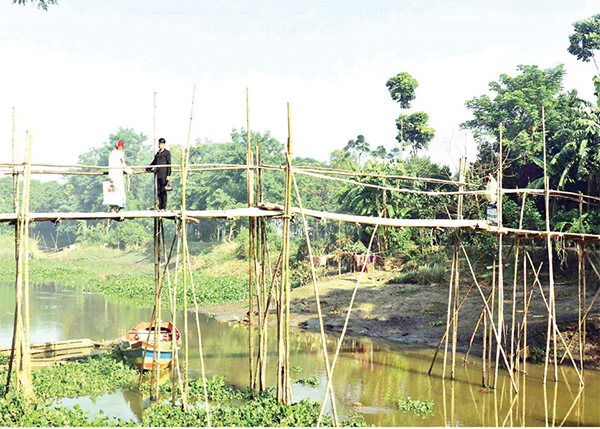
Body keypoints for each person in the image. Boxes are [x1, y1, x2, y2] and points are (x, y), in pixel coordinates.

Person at [103, 139, 133, 213]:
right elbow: (111, 166)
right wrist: (111, 176)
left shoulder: (120, 155)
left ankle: (120, 208)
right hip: (114, 175)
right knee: (113, 193)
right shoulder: (114, 155)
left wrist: (130, 171)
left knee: (119, 192)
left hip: (119, 176)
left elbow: (123, 165)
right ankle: (113, 209)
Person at [147, 137, 171, 211]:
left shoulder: (167, 153)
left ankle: (163, 207)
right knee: (159, 191)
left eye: (161, 144)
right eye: (159, 144)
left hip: (164, 174)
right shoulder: (157, 154)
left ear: (164, 144)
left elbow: (169, 164)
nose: (160, 145)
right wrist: (147, 169)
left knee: (163, 190)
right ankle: (160, 206)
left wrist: (168, 175)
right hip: (159, 174)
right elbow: (154, 162)